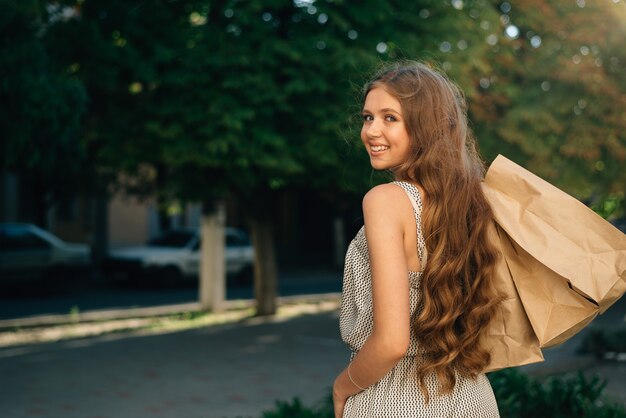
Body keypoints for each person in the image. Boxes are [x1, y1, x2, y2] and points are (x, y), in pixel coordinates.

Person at [332, 61, 503, 417]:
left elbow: (392, 342)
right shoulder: (471, 202)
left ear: (425, 126)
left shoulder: (385, 201)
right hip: (472, 395)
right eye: (367, 117)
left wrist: (342, 387)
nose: (371, 130)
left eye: (389, 118)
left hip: (396, 398)